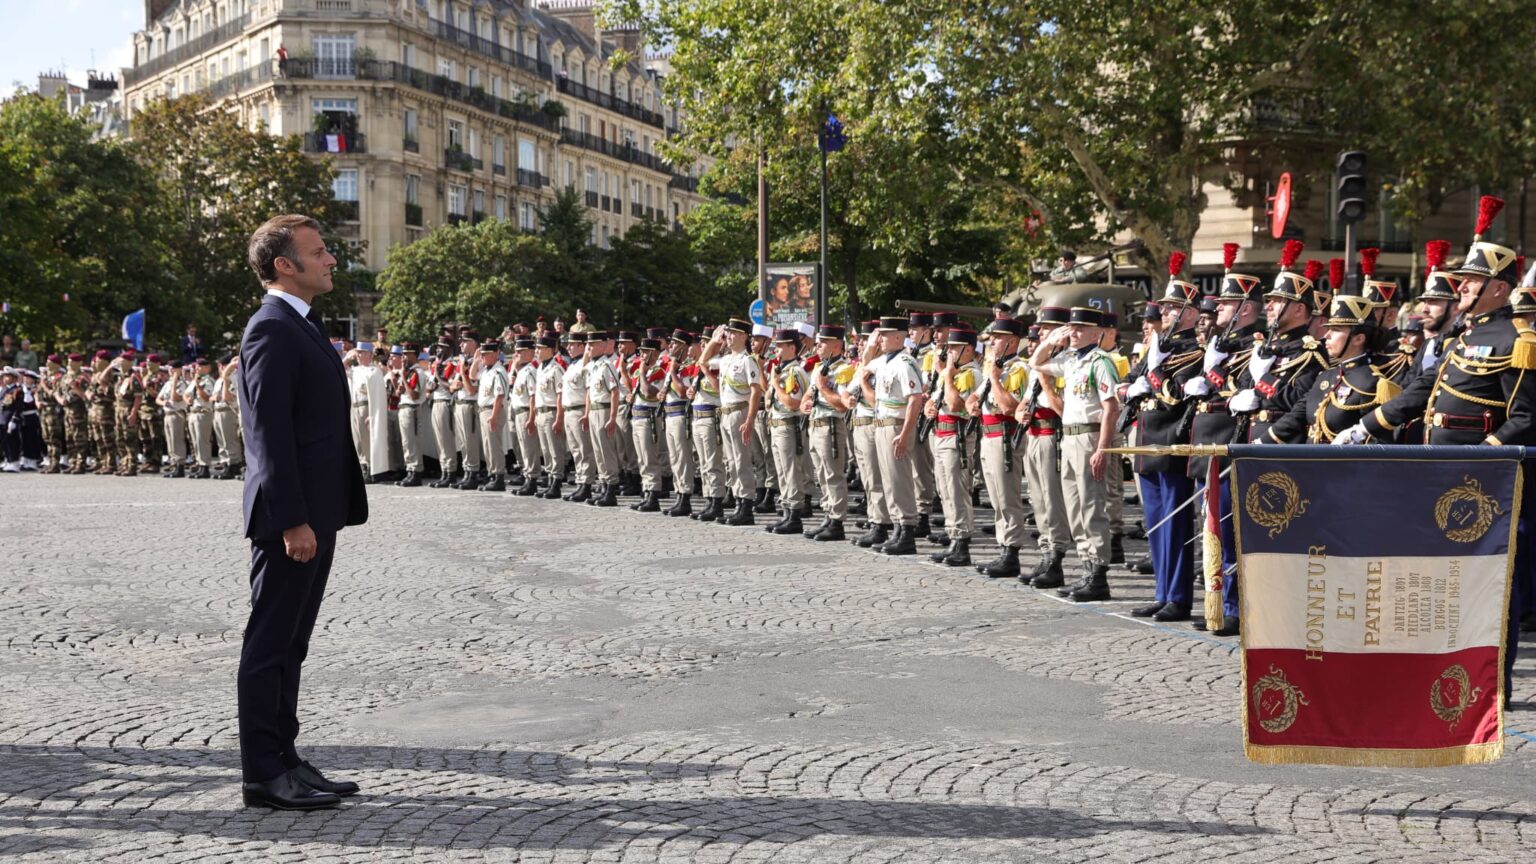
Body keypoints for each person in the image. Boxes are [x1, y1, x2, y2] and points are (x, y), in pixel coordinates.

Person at [237, 213, 368, 810]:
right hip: (292, 519)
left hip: (316, 512)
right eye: (319, 253)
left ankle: (286, 757)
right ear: (284, 265)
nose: (331, 260)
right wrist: (292, 519)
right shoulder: (271, 328)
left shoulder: (304, 325)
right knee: (270, 643)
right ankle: (264, 772)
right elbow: (268, 434)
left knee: (293, 642)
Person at [1120, 254, 1205, 621]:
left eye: (1173, 309)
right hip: (1146, 438)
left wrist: (1151, 375)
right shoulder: (1157, 347)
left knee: (1174, 522)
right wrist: (1132, 387)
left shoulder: (1196, 350)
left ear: (1190, 314)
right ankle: (1161, 590)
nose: (1166, 314)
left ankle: (1178, 596)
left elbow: (1178, 391)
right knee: (1155, 523)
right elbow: (1128, 386)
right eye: (1166, 308)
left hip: (1171, 438)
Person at [1029, 307, 1121, 601]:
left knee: (1091, 504)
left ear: (1097, 333)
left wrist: (1102, 448)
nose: (1074, 333)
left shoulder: (1100, 362)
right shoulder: (1070, 360)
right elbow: (1036, 363)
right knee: (1074, 505)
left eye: (1080, 329)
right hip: (1069, 436)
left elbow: (1111, 408)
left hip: (1089, 435)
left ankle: (1098, 572)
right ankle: (1085, 567)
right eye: (1071, 328)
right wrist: (1051, 340)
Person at [970, 318, 1030, 577]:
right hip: (988, 434)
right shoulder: (994, 367)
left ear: (1013, 341)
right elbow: (977, 395)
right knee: (995, 497)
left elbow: (1009, 406)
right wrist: (972, 402)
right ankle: (1003, 545)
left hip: (1005, 435)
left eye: (997, 337)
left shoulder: (1017, 369)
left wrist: (994, 378)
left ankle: (1012, 550)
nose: (992, 342)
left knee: (1007, 496)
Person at [868, 315, 926, 556]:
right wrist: (870, 347)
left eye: (883, 334)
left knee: (899, 478)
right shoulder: (884, 361)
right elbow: (864, 367)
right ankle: (897, 528)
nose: (879, 338)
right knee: (889, 479)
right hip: (881, 423)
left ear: (897, 337)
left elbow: (915, 399)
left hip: (896, 424)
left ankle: (907, 530)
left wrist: (904, 433)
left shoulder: (904, 362)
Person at [927, 325, 981, 565]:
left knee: (956, 489)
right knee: (944, 488)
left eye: (954, 348)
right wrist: (930, 406)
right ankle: (953, 536)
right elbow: (938, 401)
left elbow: (955, 404)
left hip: (957, 436)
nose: (949, 352)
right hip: (941, 433)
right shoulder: (952, 372)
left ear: (967, 349)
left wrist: (947, 375)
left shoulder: (969, 374)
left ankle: (961, 541)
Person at [705, 319, 762, 525]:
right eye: (727, 333)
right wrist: (713, 341)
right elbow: (702, 362)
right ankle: (738, 502)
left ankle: (746, 506)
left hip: (739, 412)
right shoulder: (727, 359)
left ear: (743, 336)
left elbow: (756, 391)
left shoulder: (748, 360)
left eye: (732, 333)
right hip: (725, 412)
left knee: (741, 460)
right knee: (731, 461)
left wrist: (749, 420)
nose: (728, 337)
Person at [763, 328, 811, 534]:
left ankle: (795, 514)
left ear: (792, 348)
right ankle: (786, 511)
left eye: (781, 346)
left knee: (791, 471)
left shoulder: (795, 372)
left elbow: (793, 403)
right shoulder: (781, 371)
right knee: (782, 472)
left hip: (789, 426)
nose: (777, 350)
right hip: (776, 425)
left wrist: (775, 384)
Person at [583, 330, 623, 507]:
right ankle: (604, 483)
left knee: (606, 451)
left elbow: (615, 392)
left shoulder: (607, 366)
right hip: (593, 410)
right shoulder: (593, 366)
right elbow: (589, 393)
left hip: (604, 410)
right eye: (588, 345)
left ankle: (611, 488)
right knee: (598, 451)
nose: (588, 348)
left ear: (601, 345)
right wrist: (586, 414)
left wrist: (612, 417)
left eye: (592, 345)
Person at [474, 341, 509, 491]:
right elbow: (472, 375)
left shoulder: (498, 371)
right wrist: (476, 360)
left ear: (495, 354)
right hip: (484, 409)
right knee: (488, 445)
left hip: (492, 410)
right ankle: (492, 474)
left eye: (485, 354)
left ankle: (499, 476)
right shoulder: (487, 371)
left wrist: (494, 416)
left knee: (494, 445)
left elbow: (499, 395)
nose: (482, 357)